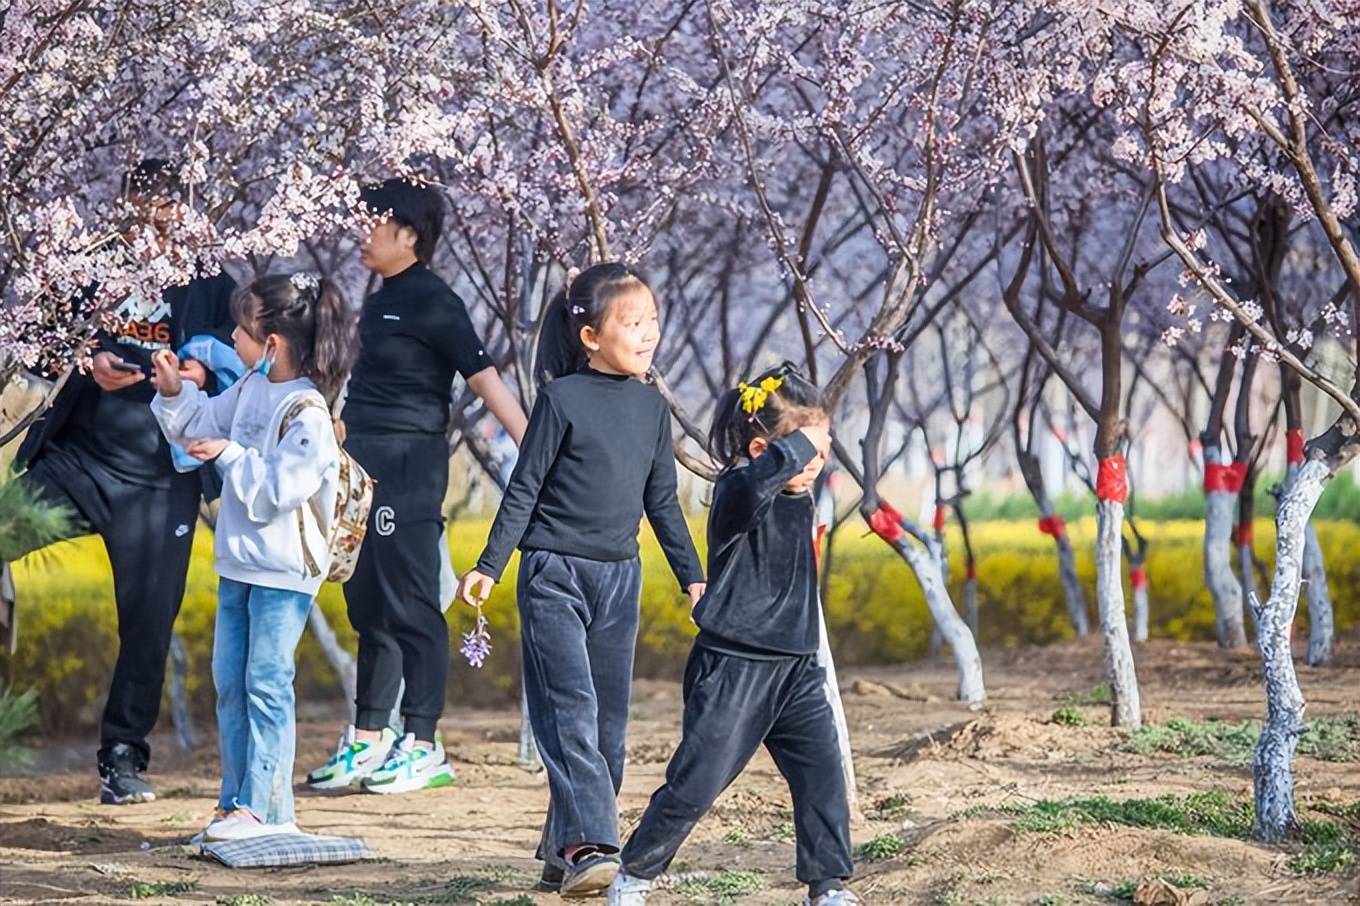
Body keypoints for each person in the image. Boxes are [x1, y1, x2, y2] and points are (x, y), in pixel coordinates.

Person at [458, 263, 706, 898]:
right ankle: (594, 843)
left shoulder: (653, 407)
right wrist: (489, 566)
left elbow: (664, 503)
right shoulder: (560, 399)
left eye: (652, 320)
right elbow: (524, 490)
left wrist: (693, 578)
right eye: (633, 323)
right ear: (591, 336)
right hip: (552, 575)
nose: (648, 333)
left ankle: (559, 848)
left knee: (608, 727)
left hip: (619, 578)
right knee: (570, 712)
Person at [4, 159, 236, 804]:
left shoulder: (210, 276)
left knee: (147, 625)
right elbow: (44, 345)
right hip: (77, 459)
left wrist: (184, 375)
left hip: (162, 481)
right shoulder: (92, 263)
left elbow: (235, 358)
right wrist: (90, 361)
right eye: (138, 215)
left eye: (162, 217)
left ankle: (123, 758)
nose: (149, 231)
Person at [305, 178, 527, 795]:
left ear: (409, 234)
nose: (361, 235)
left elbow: (484, 379)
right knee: (367, 600)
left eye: (372, 224)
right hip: (360, 465)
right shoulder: (378, 299)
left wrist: (537, 449)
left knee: (409, 602)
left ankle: (424, 743)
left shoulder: (435, 302)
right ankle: (370, 738)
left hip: (409, 468)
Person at [606, 363, 858, 906]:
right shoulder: (739, 489)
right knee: (698, 781)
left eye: (823, 448)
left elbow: (793, 464)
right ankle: (634, 875)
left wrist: (808, 441)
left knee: (822, 776)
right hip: (734, 666)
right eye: (807, 450)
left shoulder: (797, 491)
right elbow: (761, 477)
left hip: (796, 665)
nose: (817, 461)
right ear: (764, 449)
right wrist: (799, 445)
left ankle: (828, 886)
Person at [151, 272, 354, 840]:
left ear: (272, 343)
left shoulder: (308, 411)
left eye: (241, 330)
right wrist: (174, 393)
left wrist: (232, 454)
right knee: (231, 683)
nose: (232, 340)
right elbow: (197, 429)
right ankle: (236, 802)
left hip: (283, 570)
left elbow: (278, 492)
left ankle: (265, 810)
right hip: (239, 565)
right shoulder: (247, 389)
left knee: (266, 682)